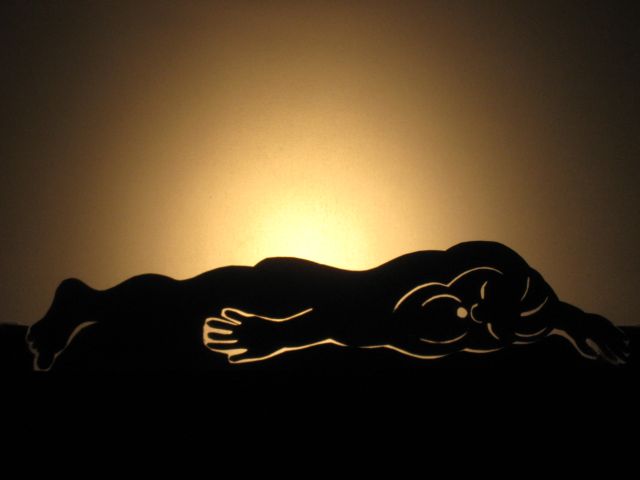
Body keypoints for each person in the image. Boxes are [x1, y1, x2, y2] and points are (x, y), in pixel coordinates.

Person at [26, 241, 629, 371]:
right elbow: (354, 322)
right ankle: (85, 302)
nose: (470, 310)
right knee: (186, 300)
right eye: (478, 298)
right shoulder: (433, 287)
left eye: (486, 321)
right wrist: (281, 335)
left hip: (307, 302)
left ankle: (91, 307)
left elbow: (560, 318)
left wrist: (585, 327)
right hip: (294, 288)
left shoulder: (487, 322)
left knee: (180, 312)